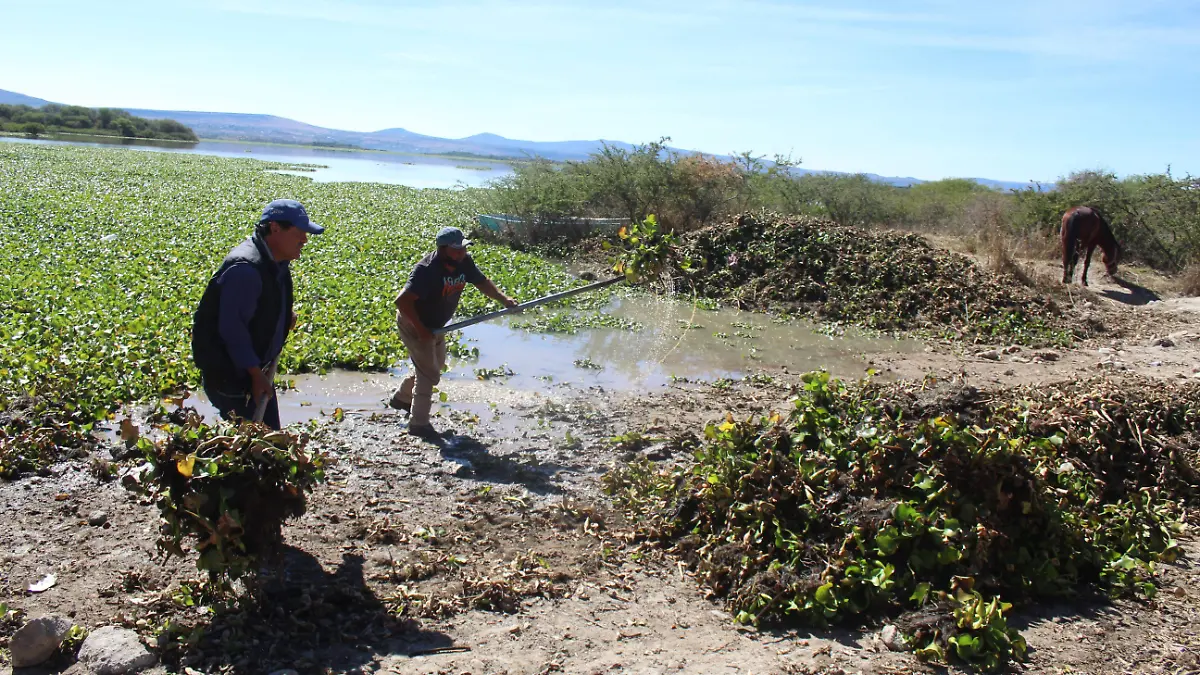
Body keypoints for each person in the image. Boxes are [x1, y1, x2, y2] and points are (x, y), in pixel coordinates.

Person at [191, 199, 324, 430]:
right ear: (274, 228)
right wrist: (255, 374)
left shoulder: (275, 260)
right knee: (256, 442)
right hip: (231, 376)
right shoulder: (245, 269)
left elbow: (262, 300)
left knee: (266, 438)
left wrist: (282, 317)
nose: (304, 240)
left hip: (252, 371)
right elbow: (232, 330)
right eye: (299, 233)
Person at [391, 226, 519, 438]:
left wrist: (503, 299)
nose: (461, 253)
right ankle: (419, 424)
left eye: (463, 248)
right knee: (429, 374)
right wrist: (422, 331)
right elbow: (402, 302)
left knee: (437, 365)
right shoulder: (427, 270)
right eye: (456, 249)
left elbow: (482, 282)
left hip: (438, 324)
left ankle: (402, 397)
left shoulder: (463, 262)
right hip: (414, 322)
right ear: (442, 249)